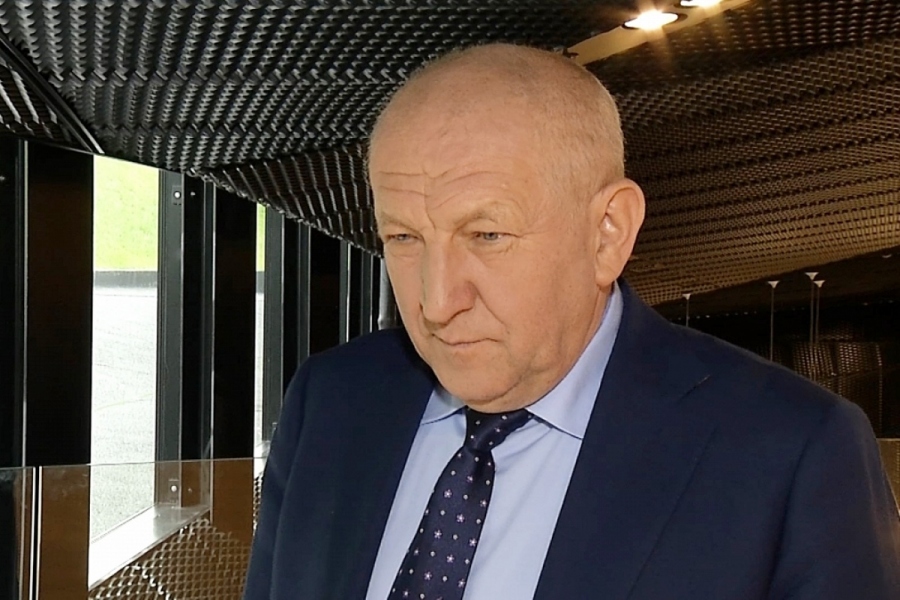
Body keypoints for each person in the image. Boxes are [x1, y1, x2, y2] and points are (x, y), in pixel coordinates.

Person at [243, 44, 900, 600]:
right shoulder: (330, 403)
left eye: (487, 234)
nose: (437, 302)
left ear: (608, 232)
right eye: (403, 237)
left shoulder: (791, 454)